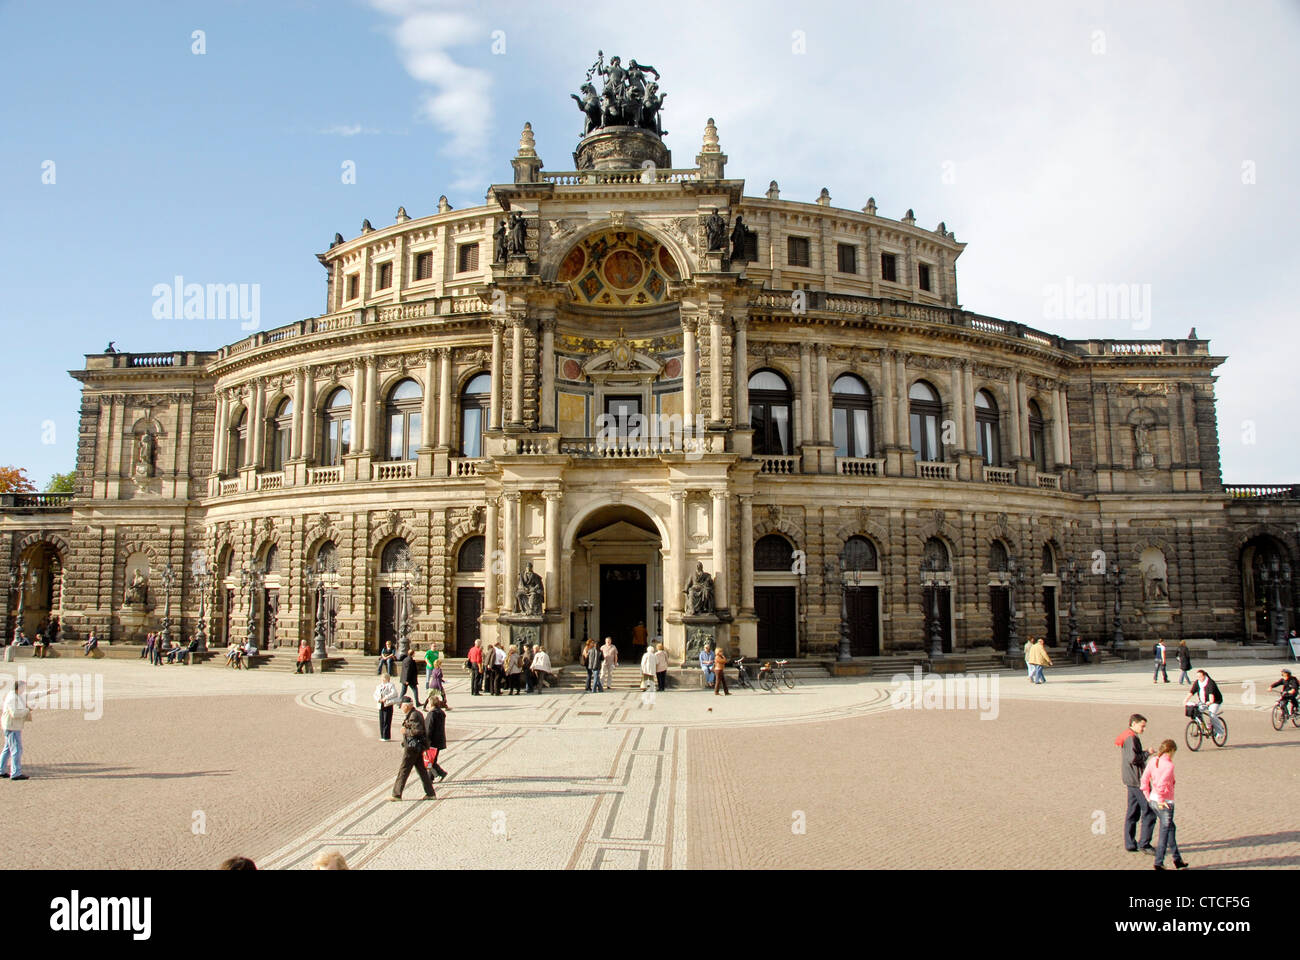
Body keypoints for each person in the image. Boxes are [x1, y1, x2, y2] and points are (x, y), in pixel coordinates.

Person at [1140, 739, 1188, 870]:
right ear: (1171, 751)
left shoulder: (1153, 761)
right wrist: (1161, 800)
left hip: (1153, 800)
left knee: (1171, 829)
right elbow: (1161, 784)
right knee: (1164, 833)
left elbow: (1144, 780)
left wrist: (1148, 797)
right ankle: (1159, 862)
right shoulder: (1168, 765)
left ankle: (1177, 860)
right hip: (1165, 802)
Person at [1115, 713, 1156, 854]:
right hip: (1136, 780)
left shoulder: (1127, 736)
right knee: (1149, 811)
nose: (1143, 729)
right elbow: (1134, 758)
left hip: (1129, 778)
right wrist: (1147, 753)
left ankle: (1130, 843)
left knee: (1132, 811)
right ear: (1133, 724)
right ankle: (1144, 843)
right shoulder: (1132, 738)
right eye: (1142, 726)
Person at [391, 698, 436, 801]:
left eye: (402, 706)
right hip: (416, 747)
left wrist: (405, 731)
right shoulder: (414, 714)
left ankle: (396, 794)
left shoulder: (414, 715)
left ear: (407, 706)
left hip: (412, 748)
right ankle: (430, 793)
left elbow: (417, 730)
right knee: (422, 771)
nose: (401, 708)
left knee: (404, 770)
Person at [0, 679, 33, 780]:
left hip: (11, 726)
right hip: (12, 727)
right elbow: (14, 714)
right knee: (17, 749)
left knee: (7, 749)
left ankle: (1, 770)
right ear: (19, 688)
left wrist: (48, 692)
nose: (24, 689)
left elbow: (32, 694)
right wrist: (26, 710)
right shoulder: (12, 698)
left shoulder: (17, 695)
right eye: (23, 687)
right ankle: (15, 773)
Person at [1184, 670, 1224, 739]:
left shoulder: (1210, 683)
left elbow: (1211, 696)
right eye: (1197, 677)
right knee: (1196, 711)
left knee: (1212, 714)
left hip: (1215, 701)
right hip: (1203, 701)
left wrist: (1210, 702)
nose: (1198, 678)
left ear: (1204, 676)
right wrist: (1185, 700)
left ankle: (1220, 732)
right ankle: (1203, 726)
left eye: (1200, 676)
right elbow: (1192, 692)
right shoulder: (1197, 682)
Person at [424, 694, 449, 782]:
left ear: (431, 704)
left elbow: (428, 728)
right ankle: (430, 777)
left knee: (430, 761)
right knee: (432, 760)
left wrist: (425, 740)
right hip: (439, 740)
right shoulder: (441, 713)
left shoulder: (432, 714)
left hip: (432, 741)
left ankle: (440, 773)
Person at [374, 671, 398, 741]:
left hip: (387, 704)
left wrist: (386, 697)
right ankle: (382, 735)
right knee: (381, 720)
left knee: (387, 720)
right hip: (381, 704)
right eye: (382, 678)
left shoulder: (391, 685)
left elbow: (394, 693)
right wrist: (378, 699)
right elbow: (375, 694)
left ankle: (386, 736)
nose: (382, 679)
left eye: (384, 678)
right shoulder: (379, 686)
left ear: (387, 678)